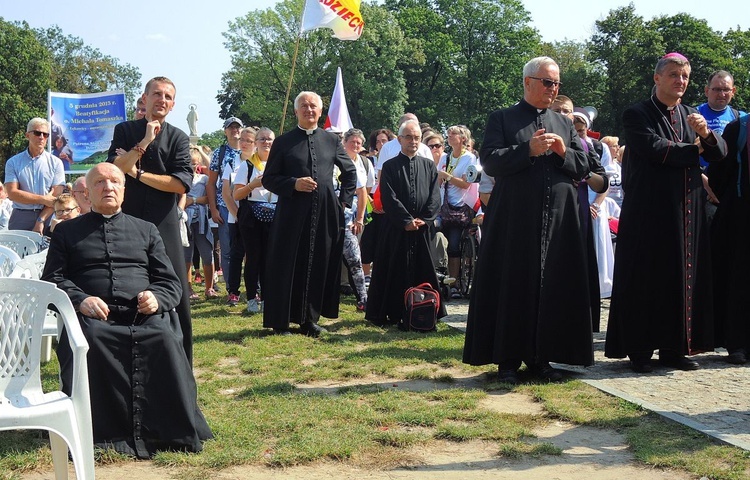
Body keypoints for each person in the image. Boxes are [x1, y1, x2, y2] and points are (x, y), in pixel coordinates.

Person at [42, 162, 212, 459]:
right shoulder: (66, 232)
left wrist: (157, 297)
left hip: (143, 314)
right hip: (95, 318)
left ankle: (168, 432)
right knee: (92, 340)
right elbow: (53, 279)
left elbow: (169, 281)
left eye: (114, 183)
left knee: (164, 336)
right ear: (86, 193)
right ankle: (105, 436)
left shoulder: (146, 230)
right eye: (99, 183)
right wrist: (81, 299)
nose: (108, 187)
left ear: (124, 190)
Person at [463, 56, 592, 384]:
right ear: (528, 82)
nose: (553, 89)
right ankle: (507, 359)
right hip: (516, 220)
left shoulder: (563, 122)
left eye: (557, 84)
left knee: (551, 288)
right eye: (548, 82)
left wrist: (564, 152)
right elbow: (490, 162)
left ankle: (542, 357)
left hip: (557, 223)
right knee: (513, 284)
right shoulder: (503, 118)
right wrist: (527, 150)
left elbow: (583, 166)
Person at [605, 53, 727, 373]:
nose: (680, 81)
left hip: (686, 213)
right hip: (649, 212)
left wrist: (706, 135)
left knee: (680, 280)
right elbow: (653, 148)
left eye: (685, 76)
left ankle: (675, 349)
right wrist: (696, 150)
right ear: (657, 78)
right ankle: (641, 350)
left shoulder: (691, 115)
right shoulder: (637, 113)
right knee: (646, 279)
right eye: (673, 74)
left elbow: (720, 153)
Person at [107, 76, 195, 363]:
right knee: (125, 285)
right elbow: (114, 171)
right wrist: (144, 142)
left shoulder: (179, 137)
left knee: (174, 286)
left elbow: (179, 184)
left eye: (168, 97)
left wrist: (138, 172)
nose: (162, 100)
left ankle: (181, 359)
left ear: (173, 104)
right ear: (144, 99)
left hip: (163, 221)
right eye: (157, 94)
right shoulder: (125, 130)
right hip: (126, 221)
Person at [261, 91, 356, 337]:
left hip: (324, 214)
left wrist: (342, 203)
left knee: (317, 264)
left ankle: (309, 319)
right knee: (286, 265)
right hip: (291, 214)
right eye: (303, 106)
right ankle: (280, 322)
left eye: (313, 106)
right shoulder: (283, 142)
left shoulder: (331, 140)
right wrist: (293, 183)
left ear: (320, 111)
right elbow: (269, 179)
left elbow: (350, 173)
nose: (308, 110)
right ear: (296, 112)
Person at [365, 119, 446, 327]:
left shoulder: (428, 165)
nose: (413, 141)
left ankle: (424, 311)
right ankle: (391, 312)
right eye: (408, 137)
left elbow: (435, 197)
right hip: (396, 229)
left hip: (421, 230)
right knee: (392, 270)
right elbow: (389, 197)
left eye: (417, 137)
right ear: (400, 139)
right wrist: (405, 221)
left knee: (423, 270)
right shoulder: (390, 166)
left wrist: (424, 219)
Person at [707, 112, 750, 364]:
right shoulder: (739, 127)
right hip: (741, 218)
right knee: (739, 278)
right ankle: (738, 343)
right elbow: (719, 171)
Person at [233, 127, 276, 314]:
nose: (266, 142)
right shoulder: (248, 165)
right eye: (262, 139)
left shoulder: (278, 164)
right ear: (256, 142)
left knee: (270, 259)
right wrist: (254, 184)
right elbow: (237, 194)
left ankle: (268, 297)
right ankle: (252, 297)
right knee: (253, 258)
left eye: (270, 139)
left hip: (274, 214)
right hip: (252, 215)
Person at [437, 125, 479, 297]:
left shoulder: (469, 158)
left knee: (454, 245)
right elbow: (438, 180)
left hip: (460, 208)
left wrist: (447, 177)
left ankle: (453, 283)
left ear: (463, 138)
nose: (450, 136)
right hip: (443, 206)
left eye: (454, 133)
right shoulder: (445, 157)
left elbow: (466, 183)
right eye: (449, 134)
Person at [4, 117, 66, 233]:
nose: (41, 137)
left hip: (48, 215)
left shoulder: (56, 163)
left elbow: (55, 199)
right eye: (37, 133)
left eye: (45, 134)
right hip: (20, 216)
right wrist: (43, 199)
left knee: (50, 251)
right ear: (27, 135)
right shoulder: (13, 162)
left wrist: (40, 220)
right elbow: (12, 194)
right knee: (18, 250)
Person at [207, 116, 245, 306]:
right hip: (224, 207)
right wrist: (213, 209)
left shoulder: (250, 151)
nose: (234, 131)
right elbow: (211, 183)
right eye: (231, 128)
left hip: (247, 205)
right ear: (225, 131)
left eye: (237, 127)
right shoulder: (219, 153)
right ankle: (232, 289)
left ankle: (255, 288)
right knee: (228, 250)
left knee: (251, 249)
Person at [340, 128, 369, 311]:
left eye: (359, 143)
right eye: (353, 142)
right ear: (345, 142)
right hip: (331, 218)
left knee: (355, 260)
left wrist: (359, 219)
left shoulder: (361, 163)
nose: (356, 146)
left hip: (349, 222)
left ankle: (363, 298)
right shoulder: (337, 160)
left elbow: (363, 191)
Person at [182, 147, 217, 300]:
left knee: (207, 254)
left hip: (202, 220)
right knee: (186, 257)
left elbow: (212, 169)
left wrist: (194, 200)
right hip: (186, 221)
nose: (193, 166)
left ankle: (209, 288)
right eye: (189, 163)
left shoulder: (203, 179)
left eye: (195, 163)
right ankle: (188, 288)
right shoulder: (181, 178)